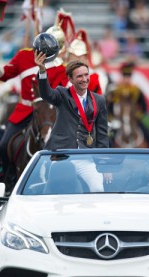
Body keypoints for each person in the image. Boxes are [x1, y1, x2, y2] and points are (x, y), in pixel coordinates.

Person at [0, 21, 68, 187]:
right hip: (25, 109)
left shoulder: (60, 68)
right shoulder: (23, 56)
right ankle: (8, 179)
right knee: (3, 146)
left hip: (48, 112)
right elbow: (5, 74)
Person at [35, 57, 109, 191]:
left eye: (86, 75)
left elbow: (103, 134)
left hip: (86, 158)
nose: (84, 79)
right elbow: (46, 94)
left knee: (98, 189)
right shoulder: (62, 94)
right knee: (49, 190)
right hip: (62, 157)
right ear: (70, 79)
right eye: (79, 76)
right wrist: (42, 70)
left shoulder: (99, 100)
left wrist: (105, 165)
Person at [106, 61, 149, 148]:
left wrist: (137, 116)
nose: (127, 79)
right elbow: (109, 107)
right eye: (125, 76)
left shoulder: (136, 90)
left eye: (128, 76)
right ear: (122, 76)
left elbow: (144, 107)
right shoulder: (116, 91)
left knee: (147, 133)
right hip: (118, 120)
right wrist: (113, 119)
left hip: (133, 119)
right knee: (110, 137)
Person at [67, 29, 103, 94]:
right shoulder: (61, 75)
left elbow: (97, 100)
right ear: (69, 58)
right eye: (74, 57)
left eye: (80, 57)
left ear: (85, 59)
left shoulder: (93, 78)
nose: (77, 61)